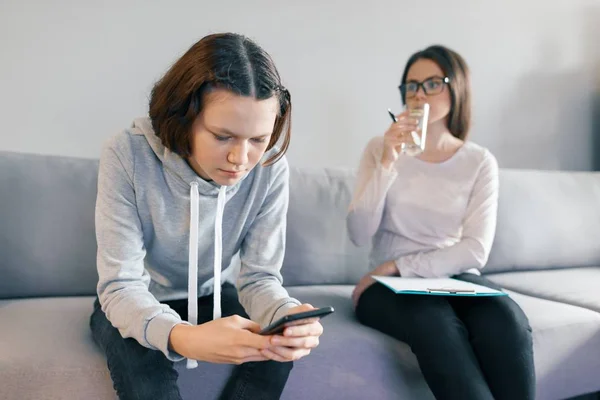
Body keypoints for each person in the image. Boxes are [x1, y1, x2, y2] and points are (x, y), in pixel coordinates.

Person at [90, 32, 323, 400]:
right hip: (135, 296)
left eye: (258, 139)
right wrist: (185, 338)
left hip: (211, 294)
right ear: (186, 117)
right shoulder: (127, 154)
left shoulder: (270, 169)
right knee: (142, 367)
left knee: (276, 349)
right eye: (222, 136)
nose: (241, 159)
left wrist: (286, 315)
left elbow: (260, 277)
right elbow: (120, 286)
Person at [347, 45, 535, 400]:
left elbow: (475, 250)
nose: (418, 94)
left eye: (432, 83)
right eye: (411, 85)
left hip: (448, 276)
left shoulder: (479, 161)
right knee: (434, 322)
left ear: (457, 88)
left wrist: (400, 265)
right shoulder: (379, 148)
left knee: (506, 320)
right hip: (385, 287)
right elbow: (359, 232)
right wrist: (388, 161)